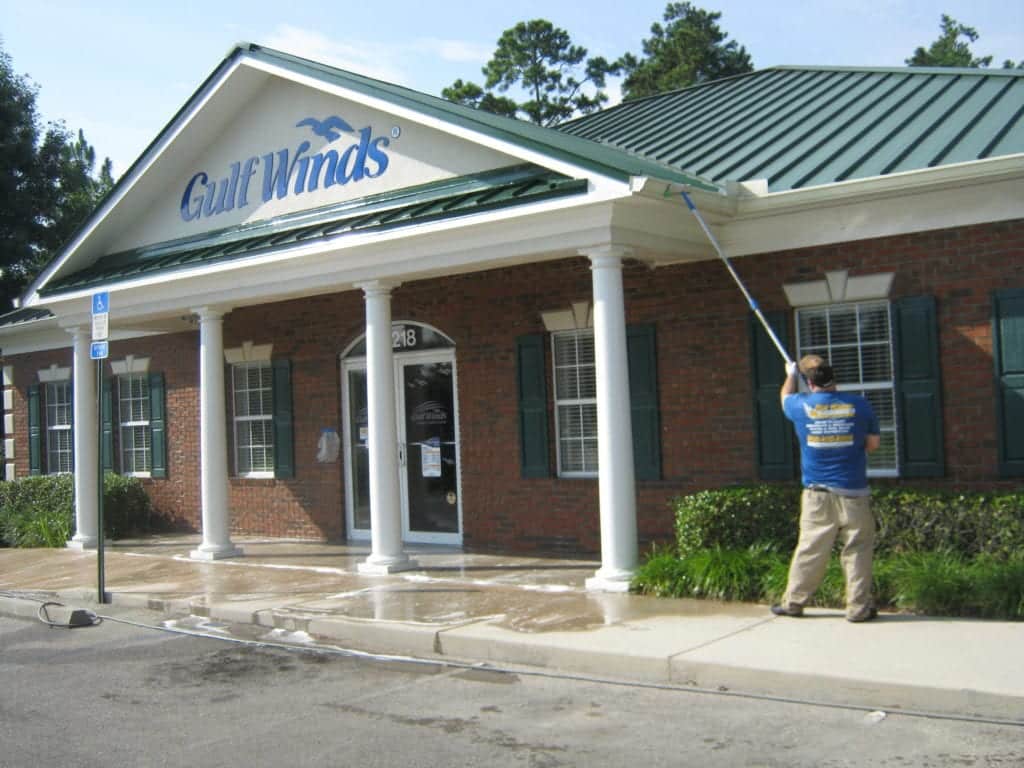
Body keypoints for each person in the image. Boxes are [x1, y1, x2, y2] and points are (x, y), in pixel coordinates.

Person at [772, 354, 881, 623]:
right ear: (835, 380)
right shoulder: (859, 405)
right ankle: (857, 609)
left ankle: (794, 603)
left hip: (817, 495)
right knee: (857, 550)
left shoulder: (800, 405)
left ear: (808, 383)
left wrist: (789, 374)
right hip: (854, 492)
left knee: (810, 549)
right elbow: (873, 445)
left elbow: (784, 396)